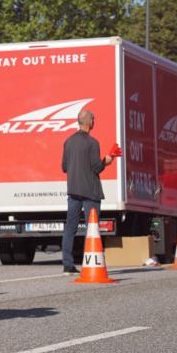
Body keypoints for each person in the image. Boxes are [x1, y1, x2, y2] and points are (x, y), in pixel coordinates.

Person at [60, 109, 117, 274]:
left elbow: (64, 167)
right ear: (89, 122)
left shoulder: (68, 142)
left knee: (70, 228)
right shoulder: (93, 143)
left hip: (73, 191)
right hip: (90, 192)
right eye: (94, 119)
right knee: (92, 229)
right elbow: (97, 167)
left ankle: (67, 265)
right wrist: (107, 160)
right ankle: (90, 263)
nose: (94, 121)